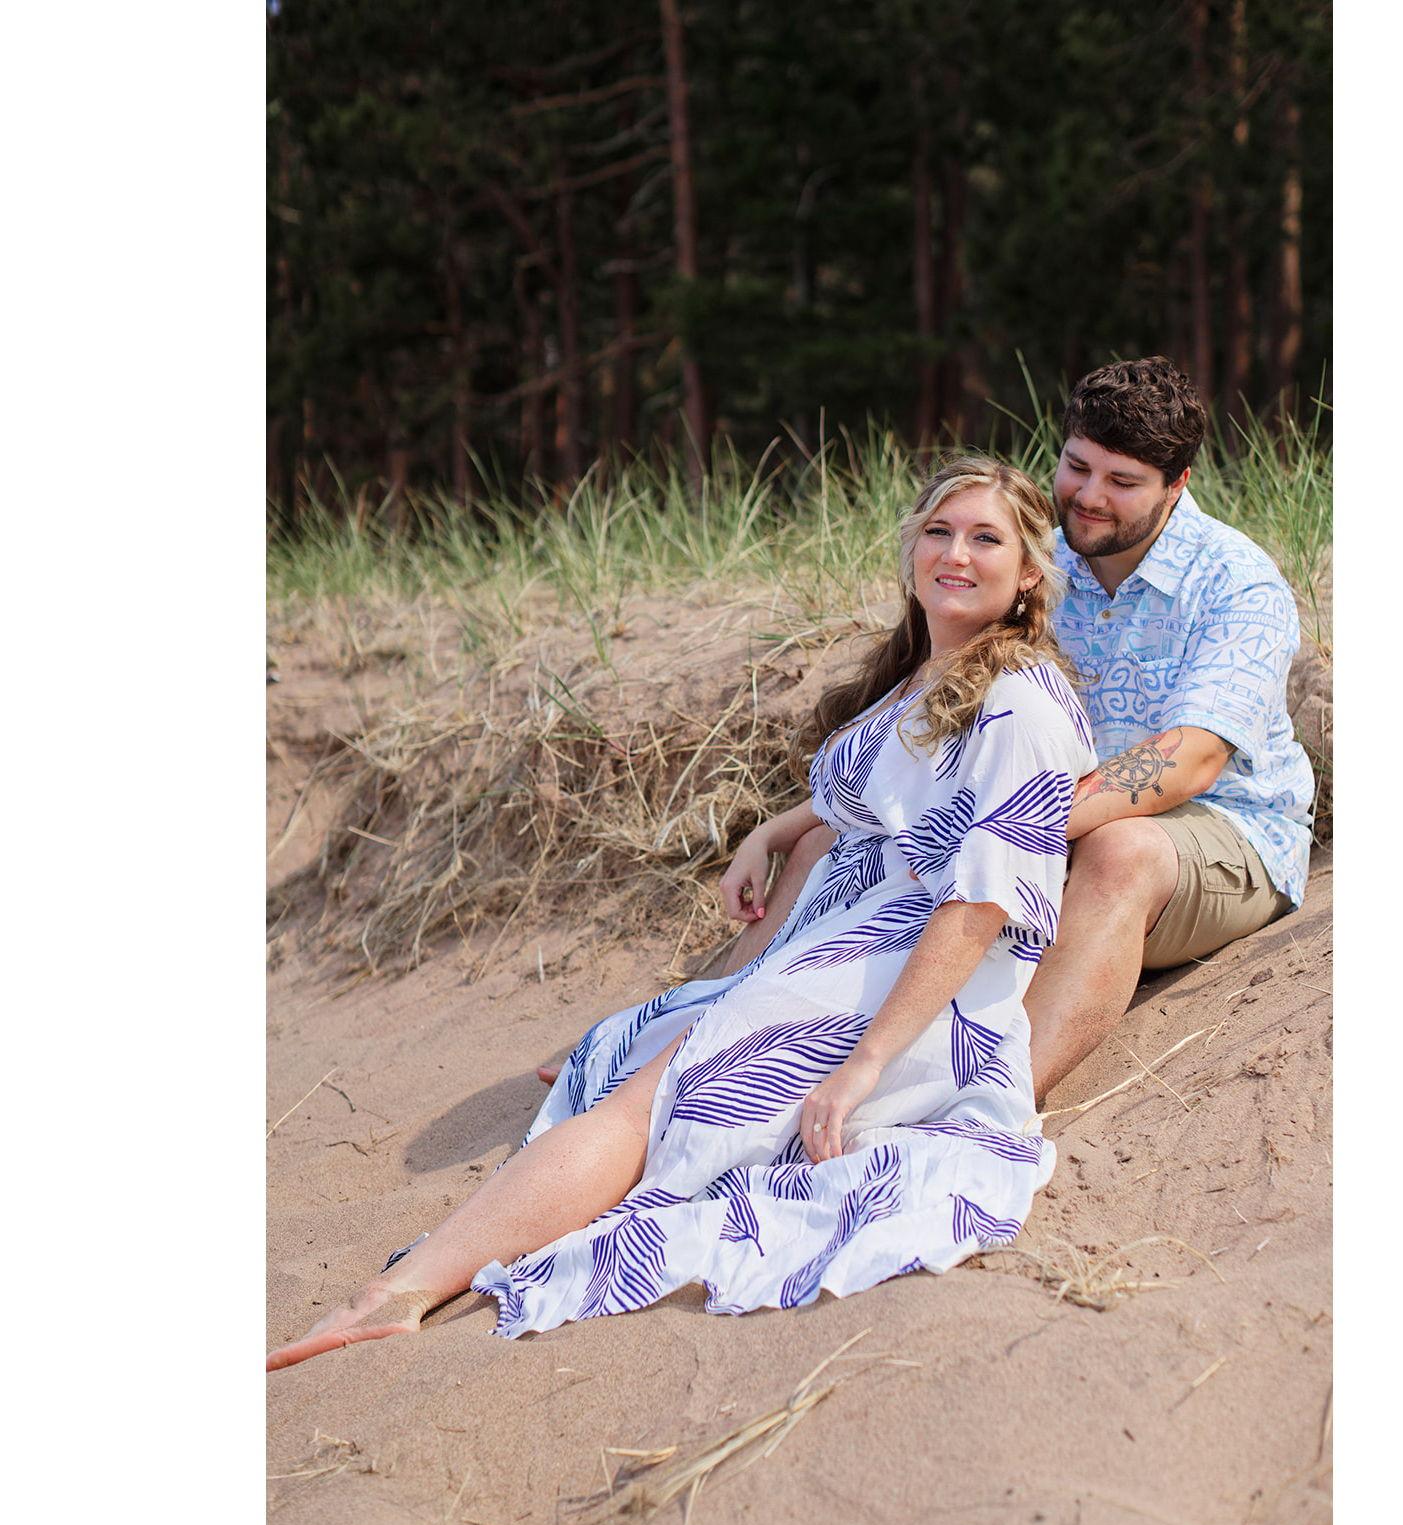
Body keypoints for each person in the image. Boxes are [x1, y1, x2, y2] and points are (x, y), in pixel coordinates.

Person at [267, 457, 1098, 1370]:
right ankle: (427, 1274)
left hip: (916, 979)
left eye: (986, 538)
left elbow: (979, 904)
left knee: (652, 1100)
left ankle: (399, 1291)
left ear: (1029, 573)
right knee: (655, 1061)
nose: (955, 553)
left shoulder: (1018, 701)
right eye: (939, 531)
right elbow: (884, 795)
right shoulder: (928, 676)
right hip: (842, 941)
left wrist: (862, 1070)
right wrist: (773, 833)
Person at [691, 357, 1314, 1108]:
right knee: (837, 844)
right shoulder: (1043, 560)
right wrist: (784, 827)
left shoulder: (1236, 583)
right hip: (1046, 817)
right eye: (1078, 467)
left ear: (1176, 484)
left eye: (1123, 482)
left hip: (1221, 834)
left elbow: (1191, 761)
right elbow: (926, 732)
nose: (1088, 498)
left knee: (1122, 849)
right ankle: (689, 1036)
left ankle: (996, 1107)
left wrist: (1001, 829)